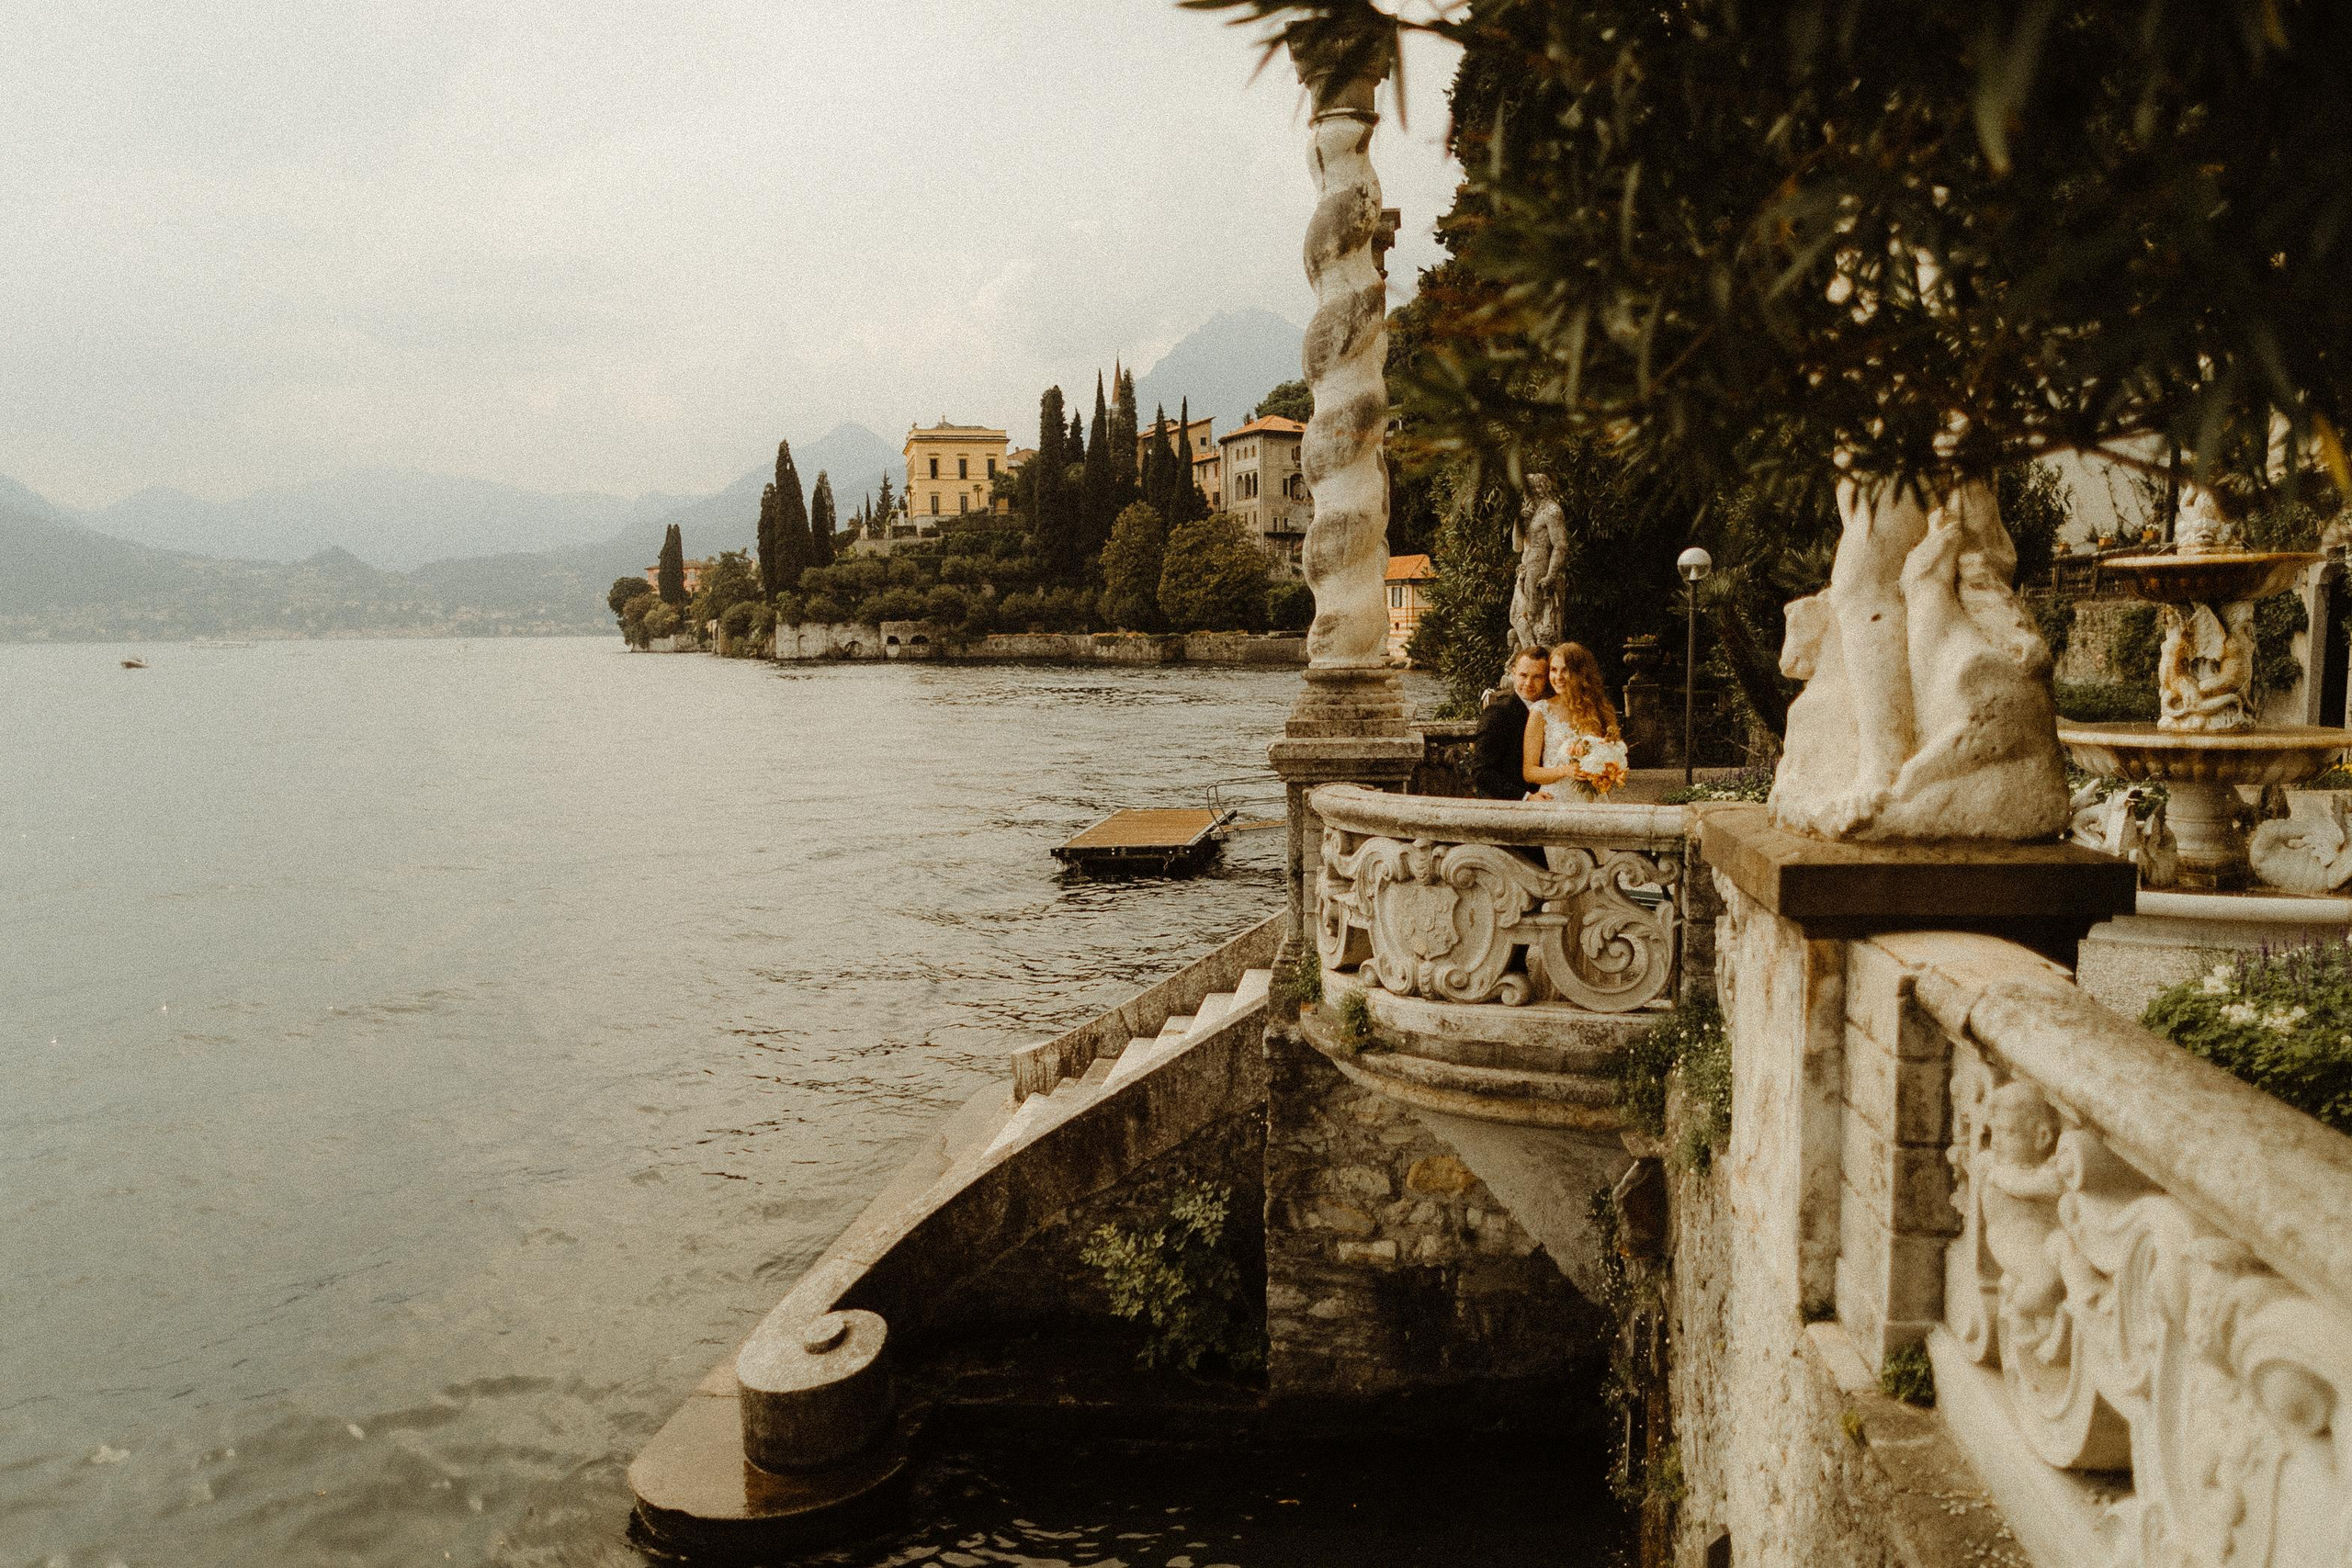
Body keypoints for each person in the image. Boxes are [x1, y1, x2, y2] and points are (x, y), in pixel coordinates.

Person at [1523, 641, 1630, 801]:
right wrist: (1565, 771)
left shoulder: (1599, 709)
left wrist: (1608, 769)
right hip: (1556, 799)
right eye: (1553, 670)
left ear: (1580, 673)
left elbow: (1611, 755)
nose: (1558, 677)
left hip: (1594, 800)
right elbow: (1529, 772)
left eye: (1565, 670)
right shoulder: (1541, 711)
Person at [1473, 647, 1550, 799]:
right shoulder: (1498, 713)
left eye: (1537, 677)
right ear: (1513, 672)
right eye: (1523, 675)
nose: (1528, 683)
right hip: (1513, 806)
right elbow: (1481, 772)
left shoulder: (1555, 711)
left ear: (1547, 678)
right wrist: (1526, 797)